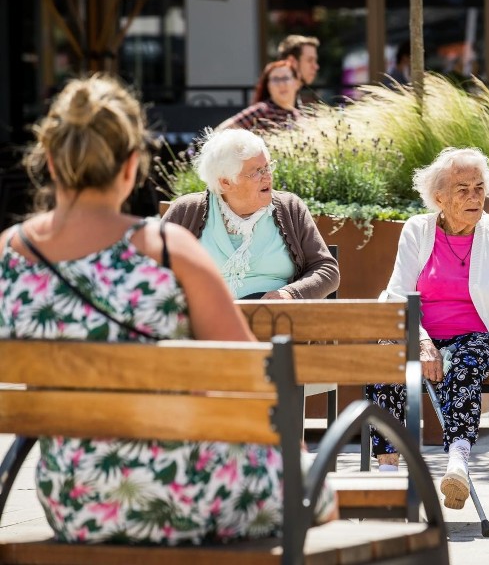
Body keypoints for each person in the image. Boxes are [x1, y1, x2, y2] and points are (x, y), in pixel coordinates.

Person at [0, 74, 337, 545]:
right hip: (191, 490)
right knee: (315, 488)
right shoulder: (166, 247)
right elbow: (251, 378)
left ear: (51, 163)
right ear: (131, 165)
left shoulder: (10, 253)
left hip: (74, 499)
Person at [368, 147, 489, 510]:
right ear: (439, 197)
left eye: (479, 187)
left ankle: (458, 462)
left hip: (475, 337)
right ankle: (386, 471)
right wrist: (421, 341)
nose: (475, 196)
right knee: (384, 355)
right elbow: (398, 292)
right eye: (463, 189)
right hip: (424, 334)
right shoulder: (418, 230)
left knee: (468, 362)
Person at [162, 128, 338, 300]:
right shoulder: (186, 211)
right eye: (256, 172)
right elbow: (150, 270)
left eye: (267, 167)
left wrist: (290, 294)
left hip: (275, 321)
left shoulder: (290, 208)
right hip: (205, 322)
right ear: (225, 183)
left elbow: (326, 269)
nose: (267, 176)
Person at [218, 59, 301, 132]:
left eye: (285, 78)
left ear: (297, 83)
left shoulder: (299, 115)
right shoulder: (263, 111)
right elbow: (220, 132)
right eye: (275, 79)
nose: (281, 84)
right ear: (268, 86)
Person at [277, 34, 320, 105]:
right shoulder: (265, 112)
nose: (316, 66)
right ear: (292, 62)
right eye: (310, 60)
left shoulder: (295, 102)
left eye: (315, 61)